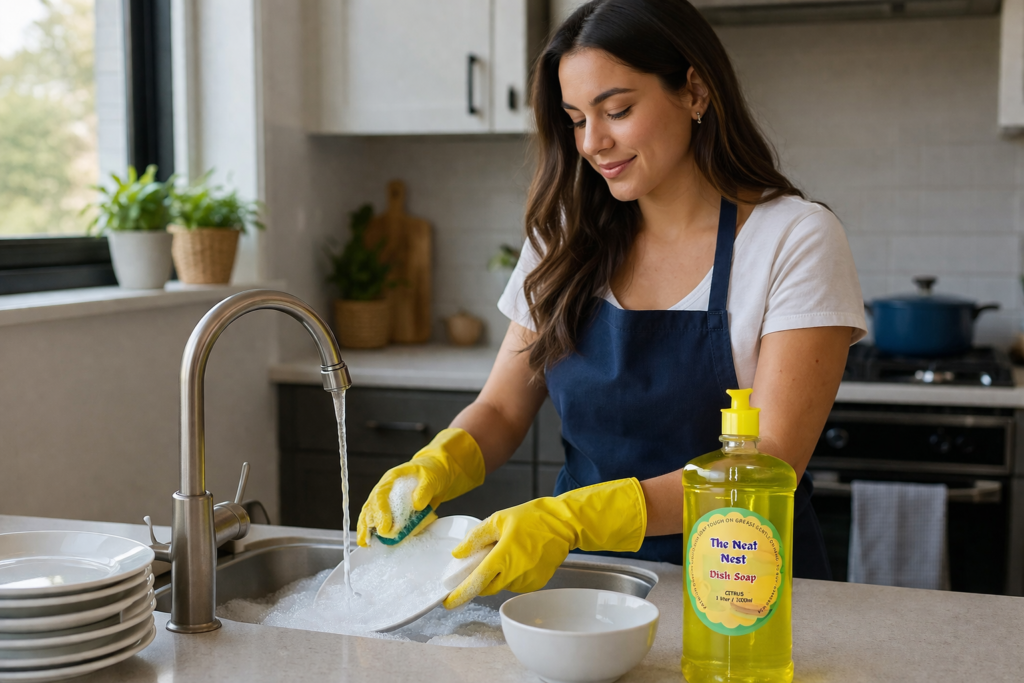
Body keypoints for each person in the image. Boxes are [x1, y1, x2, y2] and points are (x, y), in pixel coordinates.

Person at [356, 0, 866, 608]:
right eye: (575, 120)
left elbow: (772, 464)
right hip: (585, 591)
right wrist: (440, 461)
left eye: (617, 110)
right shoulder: (565, 236)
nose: (594, 143)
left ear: (695, 91)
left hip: (743, 597)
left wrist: (573, 517)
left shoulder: (794, 238)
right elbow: (500, 408)